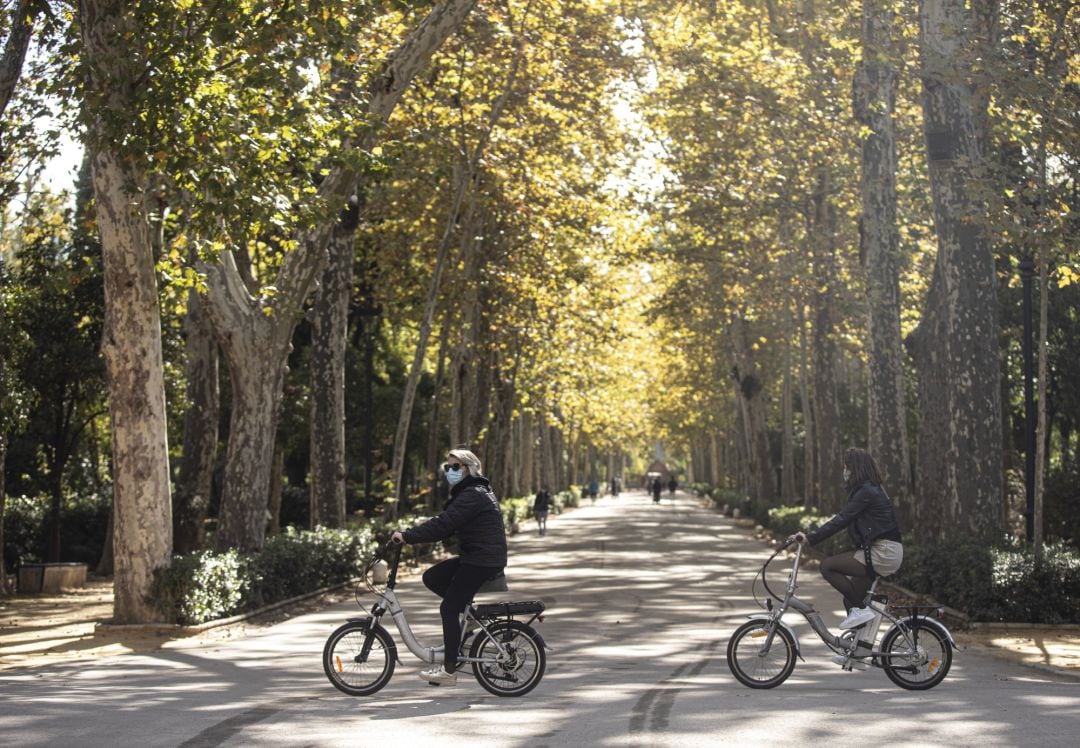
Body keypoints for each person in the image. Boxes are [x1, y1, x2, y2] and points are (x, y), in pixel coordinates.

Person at [392, 448, 507, 686]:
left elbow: (443, 525)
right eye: (448, 467)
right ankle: (466, 618)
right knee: (433, 577)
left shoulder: (473, 493)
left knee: (448, 609)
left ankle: (449, 670)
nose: (450, 472)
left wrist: (407, 536)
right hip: (477, 556)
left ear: (469, 469)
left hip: (481, 559)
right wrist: (413, 535)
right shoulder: (470, 492)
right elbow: (446, 524)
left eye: (456, 467)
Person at [794, 447, 903, 631]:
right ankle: (857, 653)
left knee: (827, 566)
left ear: (855, 468)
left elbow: (842, 519)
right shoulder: (869, 489)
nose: (845, 472)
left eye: (847, 467)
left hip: (884, 551)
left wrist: (810, 539)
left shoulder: (867, 491)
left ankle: (861, 611)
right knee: (851, 600)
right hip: (881, 549)